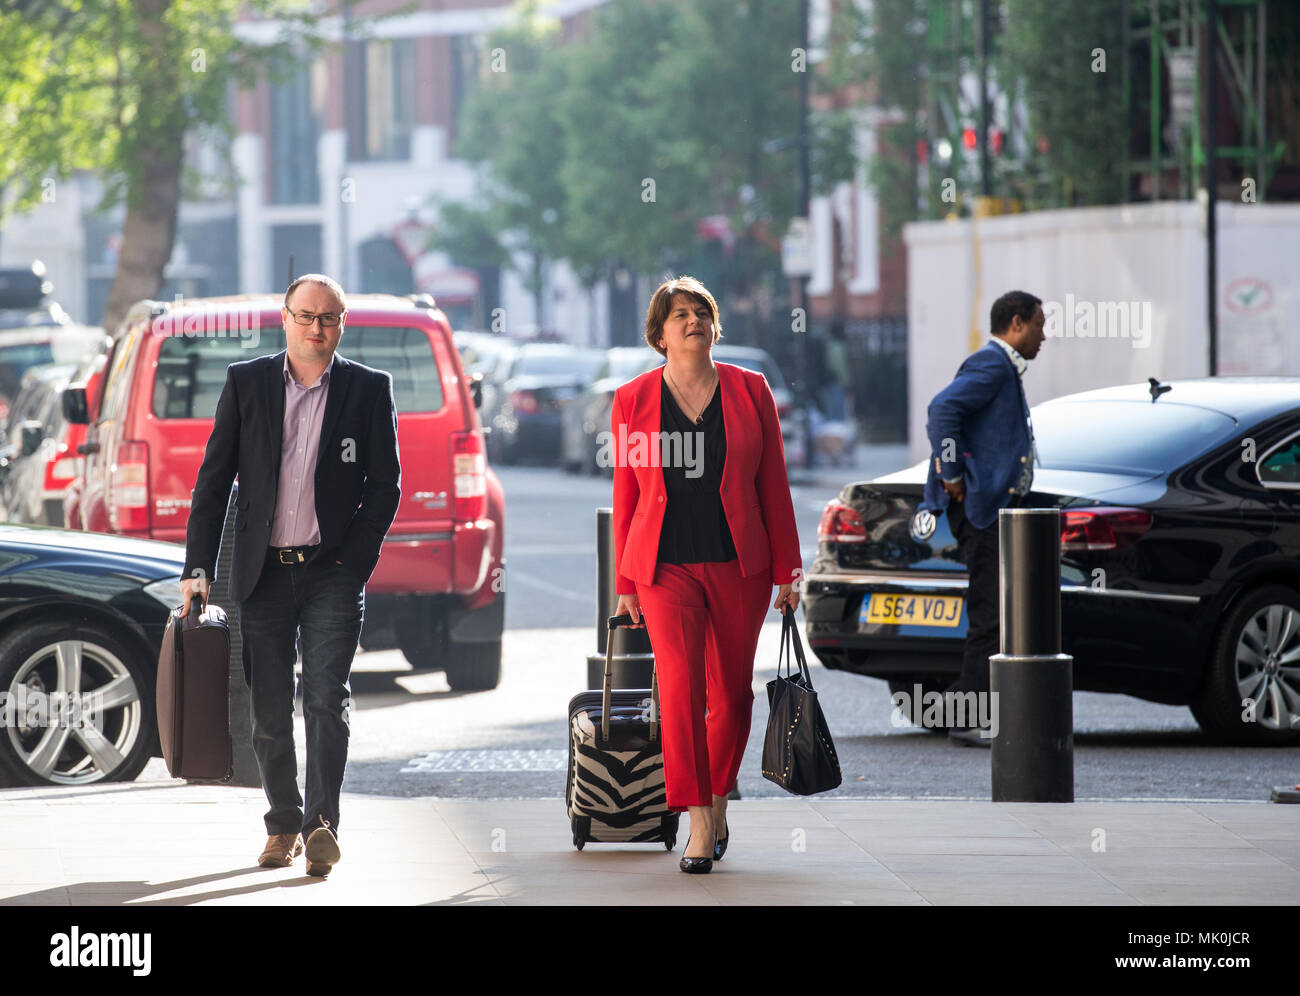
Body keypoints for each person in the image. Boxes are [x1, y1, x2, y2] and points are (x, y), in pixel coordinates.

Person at [180, 274, 401, 876]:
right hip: (263, 574)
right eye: (306, 316)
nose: (316, 328)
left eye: (328, 318)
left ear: (341, 325)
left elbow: (385, 488)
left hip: (332, 572)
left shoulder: (367, 389)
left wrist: (354, 562)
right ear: (285, 318)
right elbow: (213, 480)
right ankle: (283, 824)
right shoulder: (246, 383)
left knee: (327, 699)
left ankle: (321, 825)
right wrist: (197, 568)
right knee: (270, 710)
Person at [611, 275, 802, 873]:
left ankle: (719, 797)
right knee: (681, 693)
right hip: (663, 569)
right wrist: (625, 585)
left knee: (734, 695)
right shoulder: (633, 400)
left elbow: (773, 485)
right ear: (660, 333)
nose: (693, 321)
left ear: (715, 326)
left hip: (738, 566)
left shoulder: (750, 392)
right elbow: (625, 497)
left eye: (702, 312)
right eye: (680, 314)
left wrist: (787, 569)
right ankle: (696, 819)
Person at [920, 290, 1045, 746]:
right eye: (1038, 325)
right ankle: (969, 716)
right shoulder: (993, 364)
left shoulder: (1000, 366)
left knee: (994, 611)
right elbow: (942, 410)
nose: (1043, 335)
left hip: (993, 509)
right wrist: (952, 472)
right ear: (1015, 324)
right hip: (983, 510)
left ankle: (962, 708)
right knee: (990, 613)